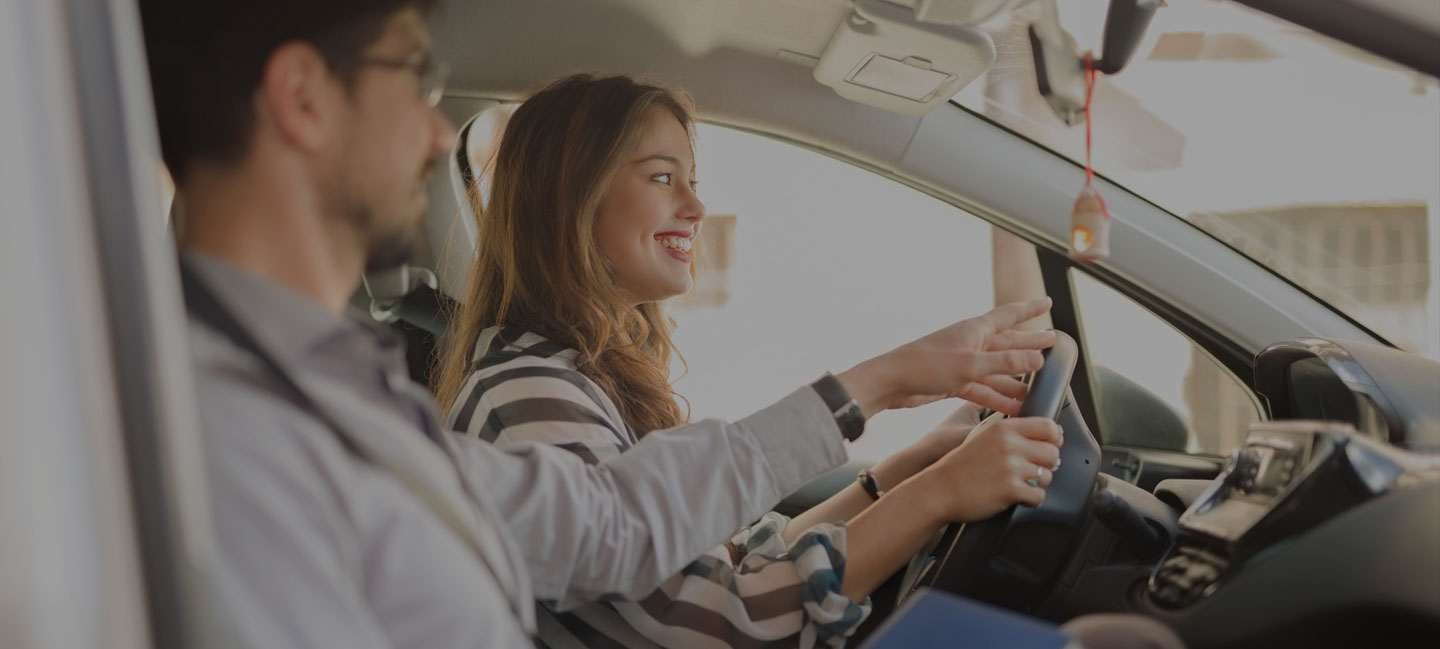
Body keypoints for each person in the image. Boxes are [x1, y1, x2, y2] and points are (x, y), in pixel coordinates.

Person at [138, 1, 1059, 648]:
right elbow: (697, 608)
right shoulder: (243, 423)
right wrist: (907, 429)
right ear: (303, 96)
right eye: (413, 79)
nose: (432, 135)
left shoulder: (323, 387)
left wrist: (908, 455)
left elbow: (618, 528)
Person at [433, 73, 1066, 649]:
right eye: (661, 177)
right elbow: (713, 624)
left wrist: (904, 470)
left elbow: (726, 562)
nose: (696, 206)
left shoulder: (571, 374)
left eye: (693, 180)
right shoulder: (521, 397)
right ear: (570, 198)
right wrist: (940, 492)